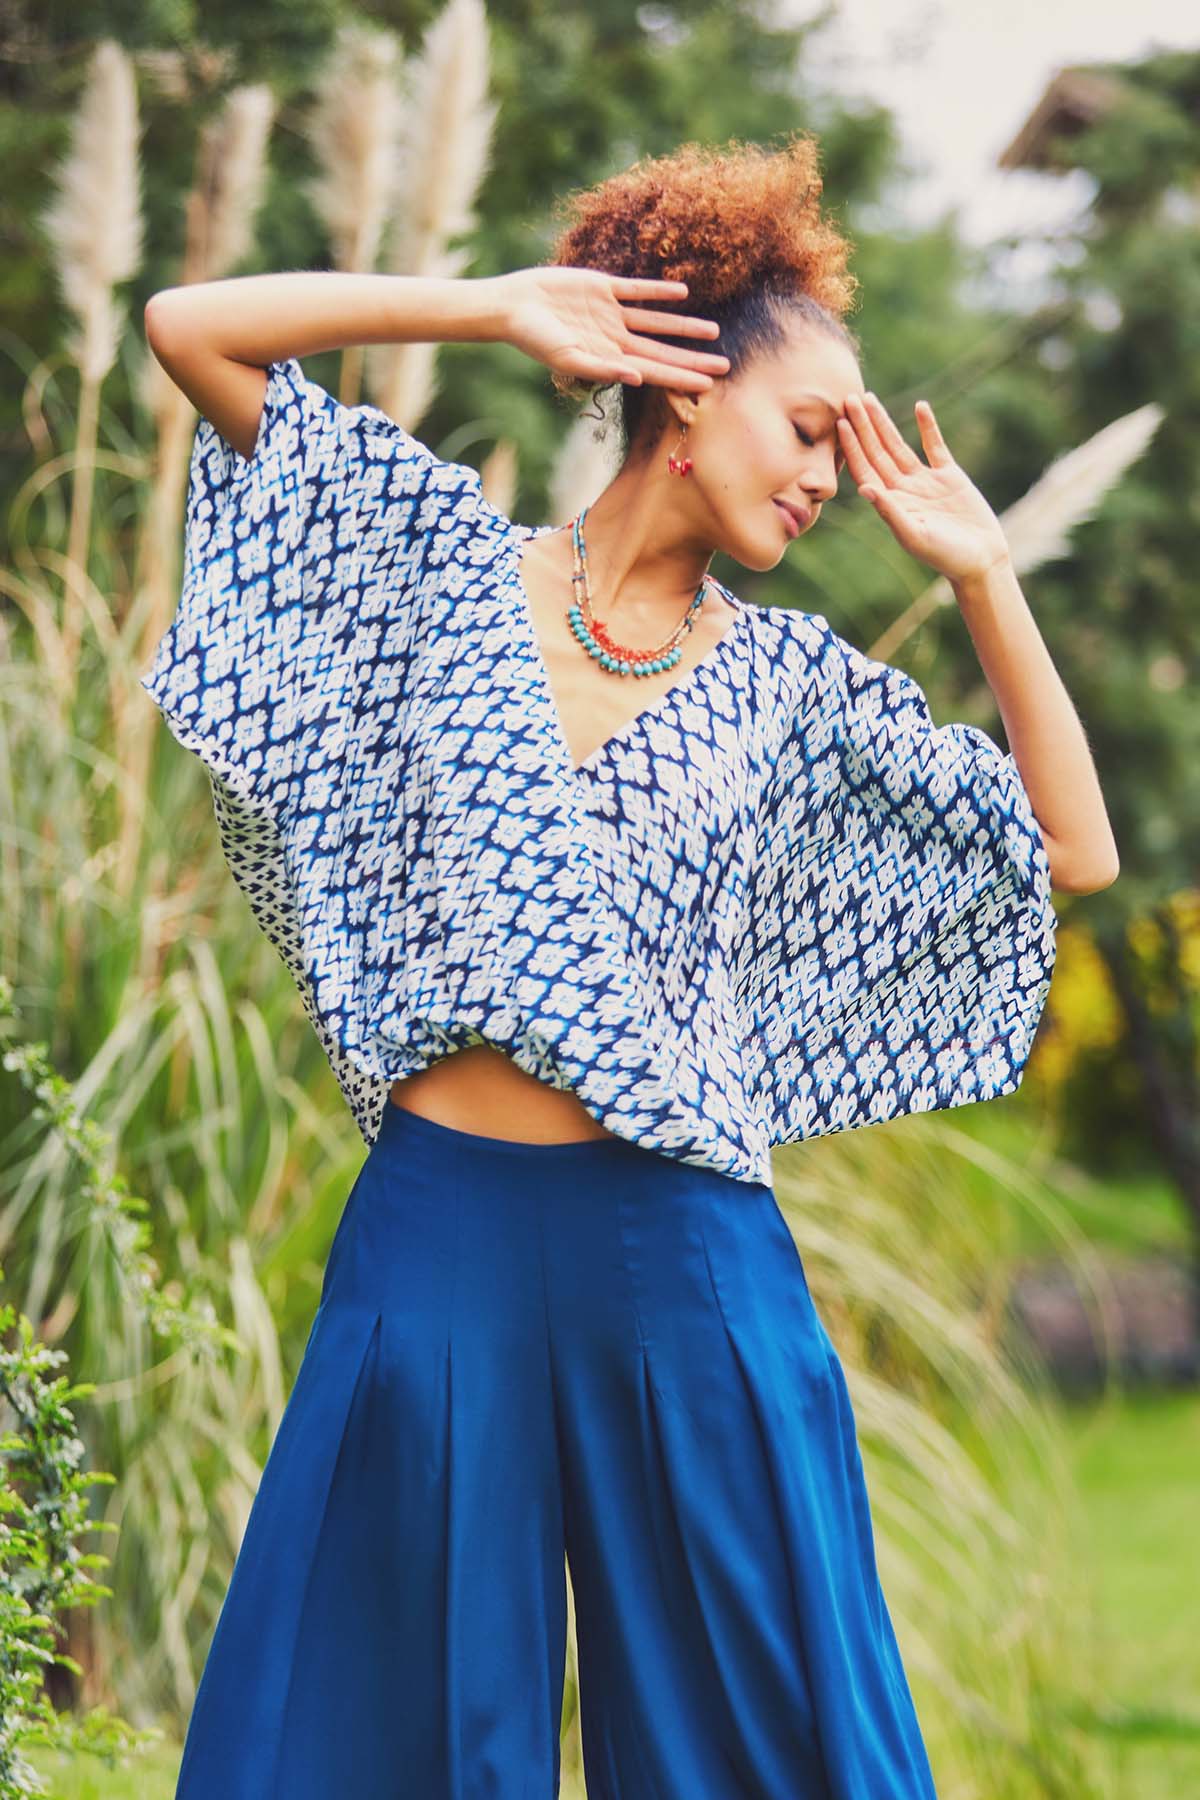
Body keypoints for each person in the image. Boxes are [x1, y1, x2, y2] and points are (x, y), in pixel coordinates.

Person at [141, 133, 1116, 1799]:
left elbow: (1069, 849)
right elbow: (192, 325)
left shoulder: (798, 691)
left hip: (684, 1260)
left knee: (774, 1747)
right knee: (369, 1745)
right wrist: (498, 312)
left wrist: (985, 577)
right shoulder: (437, 572)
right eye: (809, 430)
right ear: (680, 386)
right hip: (438, 1238)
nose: (827, 479)